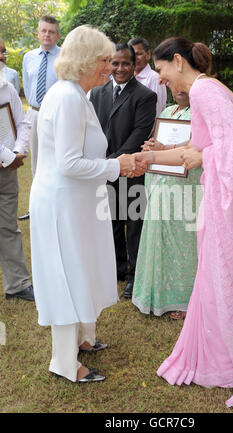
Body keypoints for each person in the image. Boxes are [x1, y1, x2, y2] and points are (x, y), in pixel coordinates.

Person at [135, 37, 233, 407]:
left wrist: (205, 159)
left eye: (162, 70)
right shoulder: (206, 90)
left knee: (224, 277)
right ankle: (219, 358)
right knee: (213, 277)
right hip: (216, 199)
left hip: (228, 202)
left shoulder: (203, 92)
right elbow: (199, 149)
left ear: (178, 61)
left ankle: (229, 363)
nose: (162, 79)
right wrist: (150, 158)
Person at [29, 25, 146, 383]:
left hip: (73, 201)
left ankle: (82, 338)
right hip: (62, 204)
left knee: (79, 268)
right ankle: (63, 362)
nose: (110, 67)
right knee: (65, 275)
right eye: (103, 60)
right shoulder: (66, 97)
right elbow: (67, 162)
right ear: (83, 61)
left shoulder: (75, 94)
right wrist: (118, 165)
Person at [90, 43, 157, 299]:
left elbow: (139, 135)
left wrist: (114, 162)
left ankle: (134, 274)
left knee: (133, 223)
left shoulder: (145, 96)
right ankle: (117, 268)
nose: (119, 68)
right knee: (111, 221)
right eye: (115, 63)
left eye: (125, 63)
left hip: (130, 169)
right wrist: (102, 164)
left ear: (134, 65)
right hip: (104, 168)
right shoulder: (97, 93)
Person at [132, 90, 203, 319]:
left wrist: (164, 151)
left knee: (183, 241)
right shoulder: (167, 111)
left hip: (187, 185)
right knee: (158, 233)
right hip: (161, 178)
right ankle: (155, 293)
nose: (178, 89)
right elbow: (157, 143)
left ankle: (184, 299)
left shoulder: (203, 114)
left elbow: (198, 148)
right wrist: (150, 147)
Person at [20, 16, 61, 221]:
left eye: (51, 31)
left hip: (57, 116)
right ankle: (36, 208)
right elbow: (27, 86)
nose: (47, 35)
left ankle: (56, 207)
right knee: (36, 160)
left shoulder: (64, 57)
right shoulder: (29, 57)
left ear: (58, 35)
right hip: (35, 113)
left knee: (57, 159)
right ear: (38, 33)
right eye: (43, 31)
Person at [0, 67, 34, 302]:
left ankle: (17, 284)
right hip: (7, 162)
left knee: (7, 226)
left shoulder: (7, 88)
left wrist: (18, 150)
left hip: (6, 173)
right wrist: (8, 157)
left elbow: (23, 124)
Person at [128, 37, 167, 118]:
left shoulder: (154, 79)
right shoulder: (128, 78)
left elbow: (155, 112)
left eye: (138, 54)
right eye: (132, 55)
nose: (135, 58)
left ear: (148, 54)